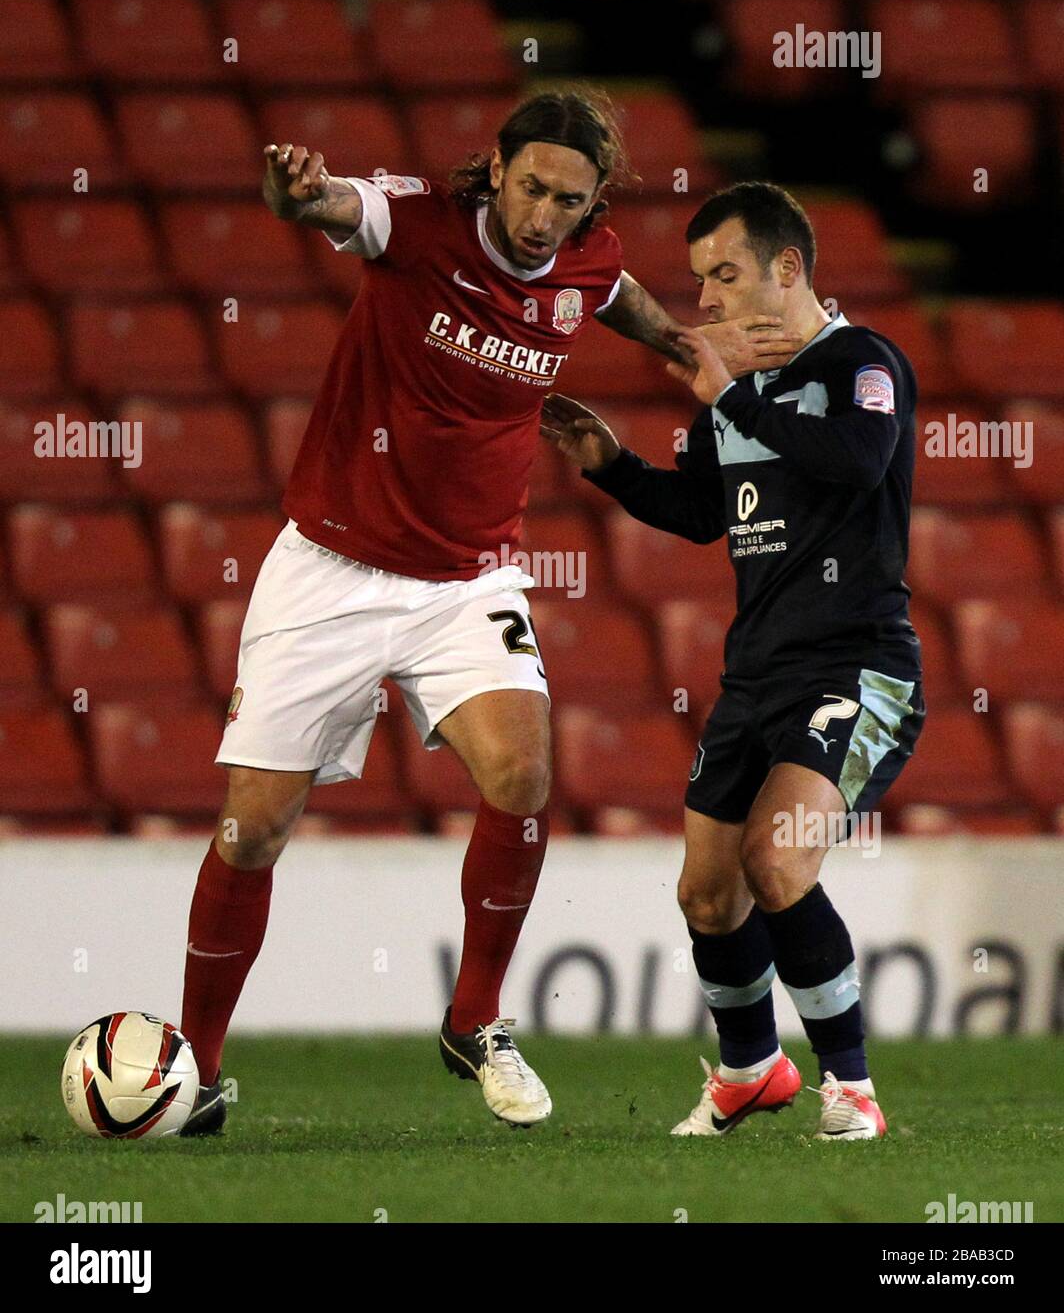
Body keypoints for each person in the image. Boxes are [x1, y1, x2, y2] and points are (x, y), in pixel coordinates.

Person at [178, 90, 739, 1135]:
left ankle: (472, 1016)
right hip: (329, 569)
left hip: (466, 580)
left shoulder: (581, 255)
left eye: (566, 200)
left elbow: (607, 288)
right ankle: (195, 1069)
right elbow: (336, 208)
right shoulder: (420, 222)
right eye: (529, 187)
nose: (542, 215)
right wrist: (294, 193)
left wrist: (676, 342)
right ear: (497, 167)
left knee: (524, 771)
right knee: (251, 831)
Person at [541, 181, 924, 1140]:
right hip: (756, 673)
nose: (705, 299)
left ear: (788, 269)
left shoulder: (860, 362)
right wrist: (612, 465)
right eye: (699, 279)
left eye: (725, 274)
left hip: (856, 666)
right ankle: (752, 1071)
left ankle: (855, 1090)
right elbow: (707, 512)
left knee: (776, 860)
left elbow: (860, 460)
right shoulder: (732, 395)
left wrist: (738, 393)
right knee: (707, 891)